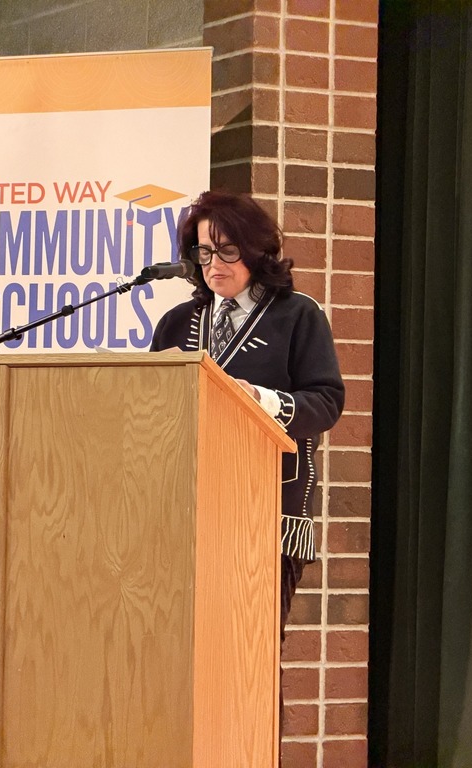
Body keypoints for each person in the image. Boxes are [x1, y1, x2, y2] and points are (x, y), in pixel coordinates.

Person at [150, 190, 344, 734]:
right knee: (188, 661)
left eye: (226, 251)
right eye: (203, 254)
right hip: (187, 515)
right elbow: (151, 403)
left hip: (264, 518)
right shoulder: (176, 324)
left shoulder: (297, 316)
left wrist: (258, 401)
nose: (213, 266)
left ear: (258, 250)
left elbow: (326, 402)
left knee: (249, 658)